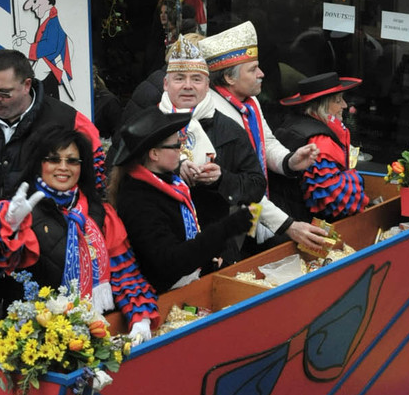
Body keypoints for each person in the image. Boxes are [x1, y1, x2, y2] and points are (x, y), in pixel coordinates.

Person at [0, 125, 158, 340]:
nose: (63, 167)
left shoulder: (100, 214)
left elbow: (125, 274)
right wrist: (5, 229)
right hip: (31, 339)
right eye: (53, 159)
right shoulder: (17, 212)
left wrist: (140, 317)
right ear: (38, 163)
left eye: (72, 161)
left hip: (93, 335)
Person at [199, 21, 332, 253]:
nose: (261, 74)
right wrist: (288, 225)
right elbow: (240, 184)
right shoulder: (214, 116)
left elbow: (265, 142)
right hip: (226, 222)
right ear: (229, 78)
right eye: (253, 70)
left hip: (254, 214)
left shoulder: (250, 102)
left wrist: (289, 161)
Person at [110, 108, 255, 293]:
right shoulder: (138, 200)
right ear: (154, 154)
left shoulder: (171, 183)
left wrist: (207, 259)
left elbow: (186, 241)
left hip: (187, 284)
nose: (182, 150)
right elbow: (171, 262)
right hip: (160, 298)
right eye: (176, 145)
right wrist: (226, 229)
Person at [0, 48, 106, 200]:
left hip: (42, 221)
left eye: (4, 92)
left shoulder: (66, 120)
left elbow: (93, 184)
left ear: (26, 85)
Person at [157, 35, 266, 262]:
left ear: (207, 86)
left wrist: (221, 179)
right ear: (166, 84)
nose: (188, 86)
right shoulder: (146, 125)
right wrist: (173, 169)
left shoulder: (229, 128)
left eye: (196, 79)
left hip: (217, 249)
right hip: (162, 248)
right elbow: (122, 178)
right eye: (179, 78)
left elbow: (256, 185)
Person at [275, 72, 369, 219]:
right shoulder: (320, 141)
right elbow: (332, 198)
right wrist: (356, 179)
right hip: (307, 223)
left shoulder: (295, 122)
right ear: (322, 106)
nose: (344, 105)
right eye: (338, 101)